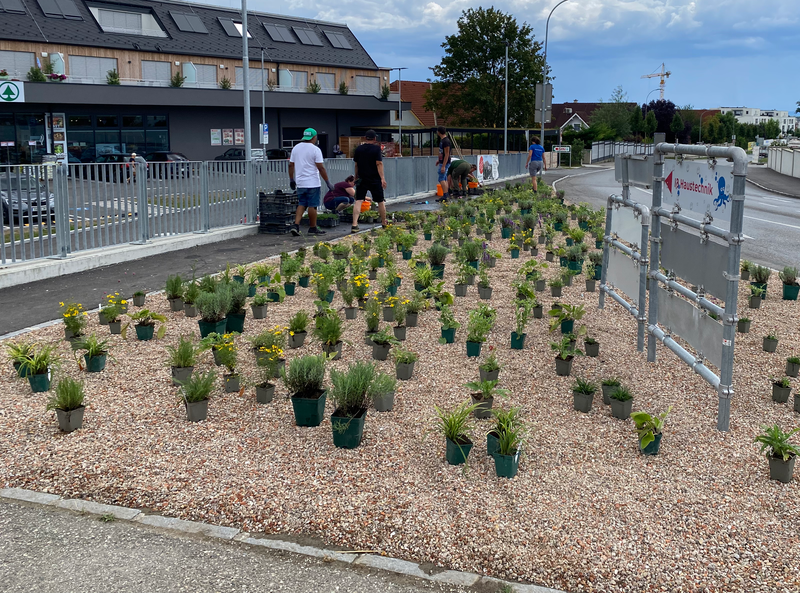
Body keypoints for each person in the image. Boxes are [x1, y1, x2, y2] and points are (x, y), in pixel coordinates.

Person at [288, 128, 334, 236]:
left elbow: (291, 165)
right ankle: (313, 227)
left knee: (302, 203)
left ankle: (296, 225)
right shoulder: (315, 150)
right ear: (314, 137)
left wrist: (291, 179)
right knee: (312, 206)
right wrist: (328, 182)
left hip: (300, 182)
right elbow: (321, 168)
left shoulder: (296, 148)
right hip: (312, 183)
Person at [352, 129, 387, 233]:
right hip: (374, 178)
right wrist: (382, 178)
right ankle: (384, 222)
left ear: (365, 138)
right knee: (380, 201)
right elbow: (379, 163)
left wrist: (356, 176)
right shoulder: (376, 149)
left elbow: (356, 164)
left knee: (359, 200)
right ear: (375, 138)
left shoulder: (358, 149)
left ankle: (354, 224)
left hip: (362, 178)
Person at [435, 126, 452, 202]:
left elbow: (447, 154)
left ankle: (445, 195)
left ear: (439, 132)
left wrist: (443, 166)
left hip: (445, 163)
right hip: (442, 161)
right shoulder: (443, 141)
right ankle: (446, 194)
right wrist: (439, 160)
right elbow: (442, 152)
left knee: (441, 178)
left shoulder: (446, 141)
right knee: (444, 178)